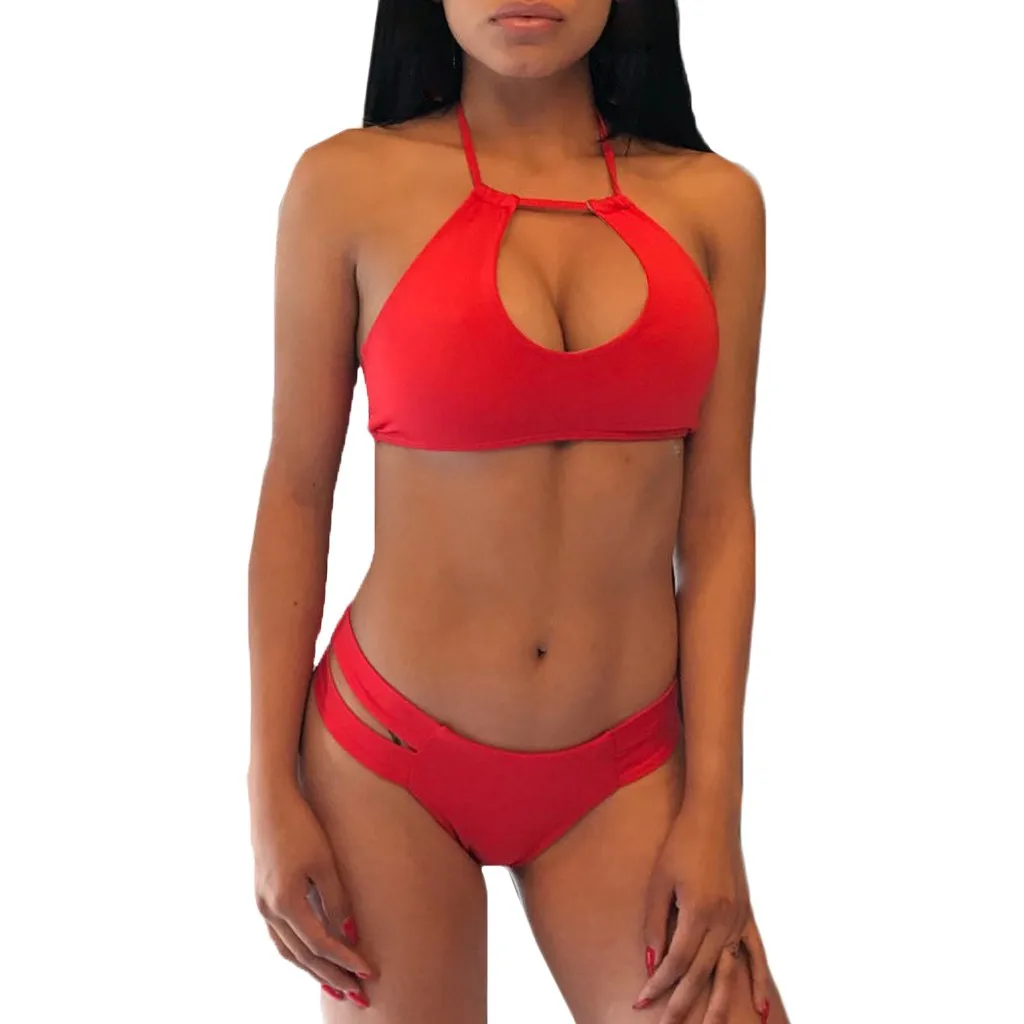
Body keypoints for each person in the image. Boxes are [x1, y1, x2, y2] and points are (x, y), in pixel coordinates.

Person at [248, 1, 786, 1021]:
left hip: (624, 772)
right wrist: (270, 790)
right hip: (386, 762)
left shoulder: (717, 204)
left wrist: (715, 809)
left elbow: (718, 524)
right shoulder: (345, 186)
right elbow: (295, 494)